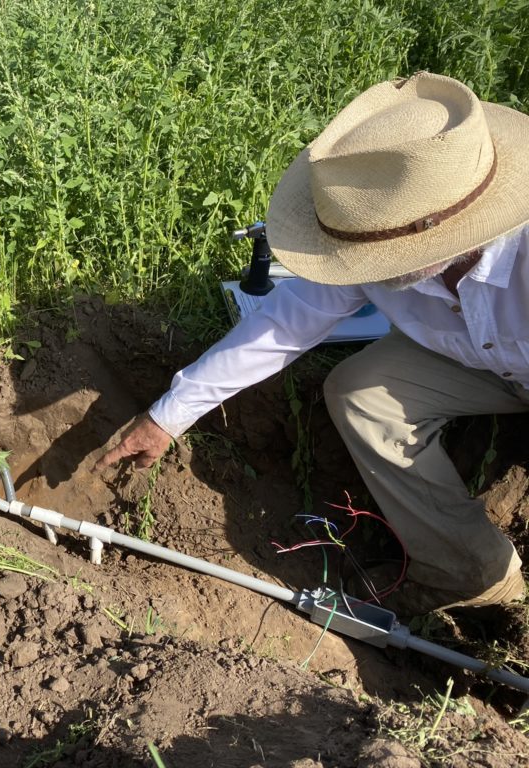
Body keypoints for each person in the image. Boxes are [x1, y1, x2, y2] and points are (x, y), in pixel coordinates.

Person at [96, 72, 529, 616]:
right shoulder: (375, 236)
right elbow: (283, 324)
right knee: (359, 393)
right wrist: (166, 417)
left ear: (447, 227)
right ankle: (471, 573)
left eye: (384, 252)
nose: (368, 265)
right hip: (480, 365)